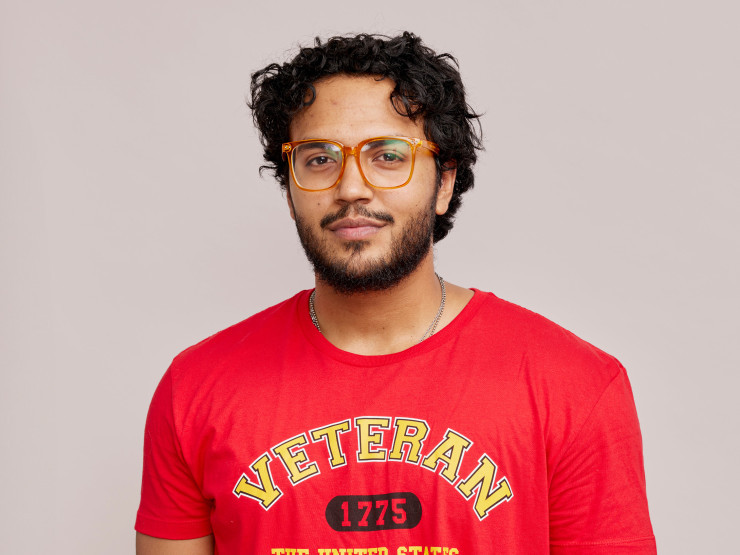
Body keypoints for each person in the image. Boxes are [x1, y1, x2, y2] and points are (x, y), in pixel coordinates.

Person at [135, 32, 656, 554]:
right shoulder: (196, 389)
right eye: (319, 159)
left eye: (387, 155)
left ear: (444, 182)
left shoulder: (573, 386)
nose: (351, 187)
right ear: (290, 191)